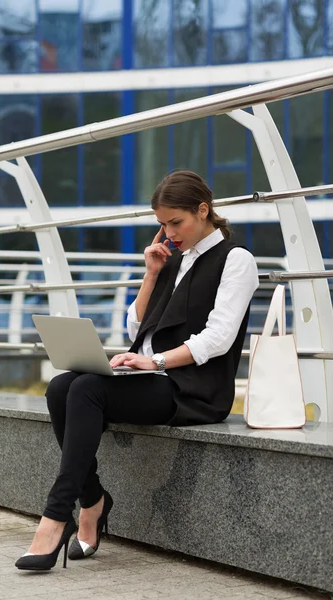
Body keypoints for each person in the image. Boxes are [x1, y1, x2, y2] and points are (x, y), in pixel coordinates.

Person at [15, 169, 259, 571]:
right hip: (147, 377)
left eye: (175, 222)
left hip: (188, 388)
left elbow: (219, 337)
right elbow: (136, 328)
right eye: (162, 224)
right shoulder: (171, 258)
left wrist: (155, 361)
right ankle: (92, 501)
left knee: (86, 389)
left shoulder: (236, 260)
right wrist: (151, 274)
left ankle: (56, 516)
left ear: (203, 210)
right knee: (61, 387)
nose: (169, 232)